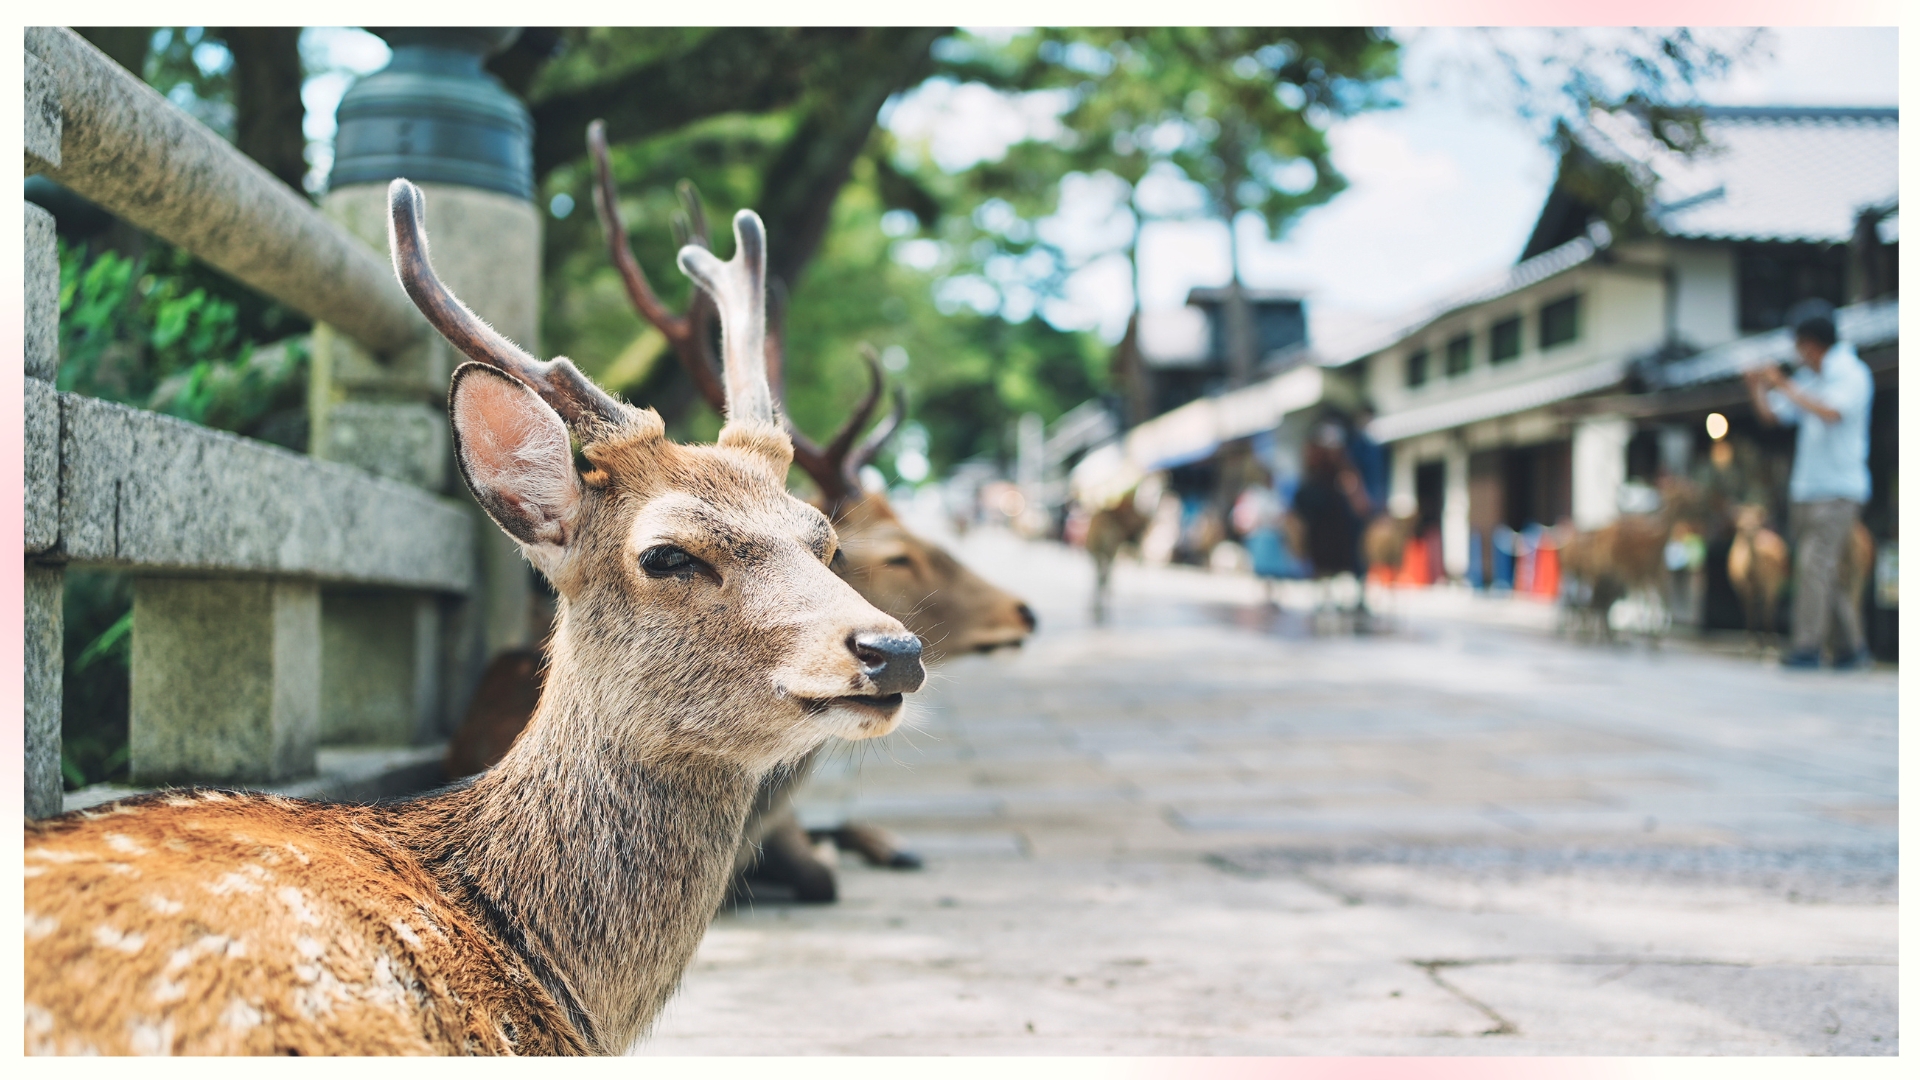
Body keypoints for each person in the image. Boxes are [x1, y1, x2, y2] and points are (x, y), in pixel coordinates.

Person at [1743, 305, 1875, 669]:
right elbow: (1773, 415)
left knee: (1814, 566)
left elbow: (1831, 413)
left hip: (1838, 489)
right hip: (1808, 488)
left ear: (1812, 344)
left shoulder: (1851, 374)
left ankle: (1808, 647)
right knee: (1822, 569)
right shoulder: (1810, 378)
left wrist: (1783, 383)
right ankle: (1851, 648)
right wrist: (1758, 387)